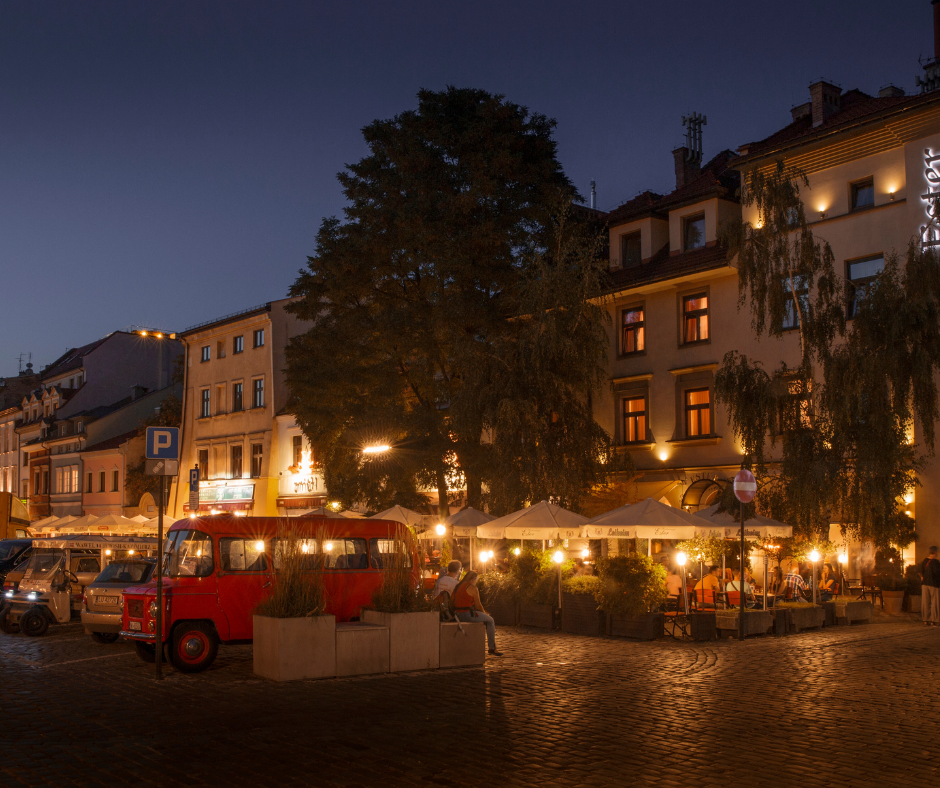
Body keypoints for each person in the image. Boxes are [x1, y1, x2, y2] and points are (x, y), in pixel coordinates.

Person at [453, 570, 502, 656]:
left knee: (484, 618)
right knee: (490, 620)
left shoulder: (457, 586)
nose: (476, 582)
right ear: (473, 579)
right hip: (466, 614)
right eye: (476, 580)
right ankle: (492, 648)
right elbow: (478, 606)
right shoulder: (473, 588)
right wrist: (485, 614)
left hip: (456, 615)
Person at [920, 546, 940, 626]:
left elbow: (921, 572)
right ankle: (933, 620)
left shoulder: (925, 561)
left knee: (925, 602)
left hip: (925, 584)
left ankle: (925, 619)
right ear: (935, 552)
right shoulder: (936, 562)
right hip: (934, 584)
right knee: (935, 602)